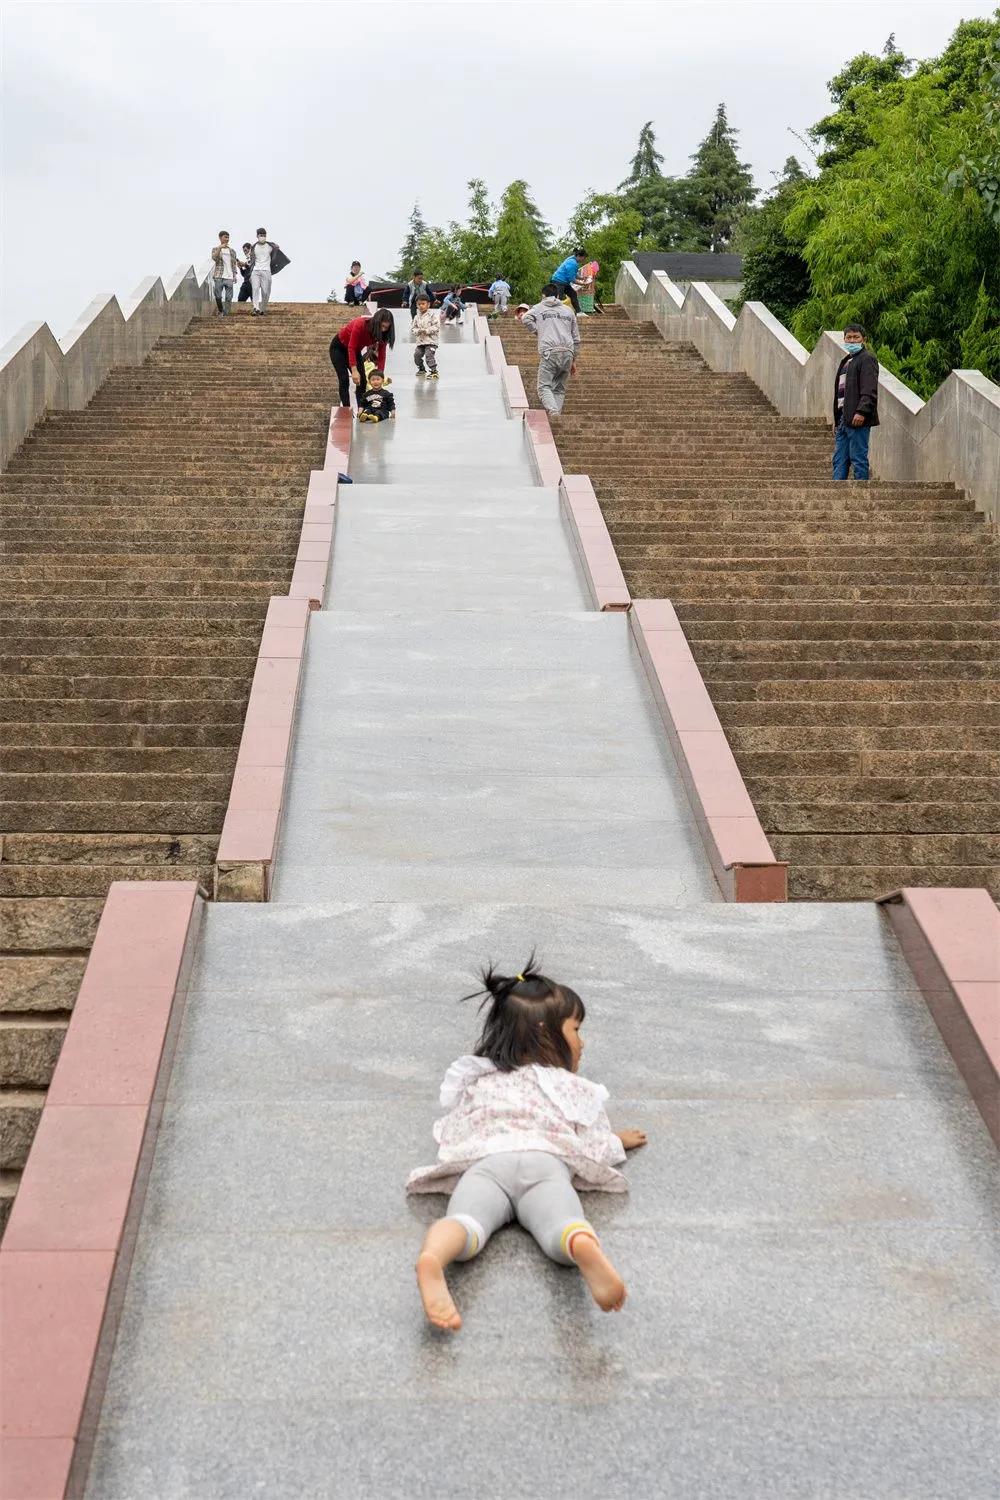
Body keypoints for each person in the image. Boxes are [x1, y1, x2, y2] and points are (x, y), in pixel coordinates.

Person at [408, 959, 647, 1332]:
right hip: (545, 1164)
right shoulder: (570, 1087)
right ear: (545, 1034)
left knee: (466, 1222)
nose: (582, 1042)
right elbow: (590, 1145)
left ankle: (434, 1257)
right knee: (561, 1223)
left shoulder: (480, 1081)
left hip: (487, 1163)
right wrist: (618, 1142)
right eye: (576, 1030)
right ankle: (581, 1245)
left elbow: (453, 1132)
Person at [521, 284, 582, 417]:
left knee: (543, 387)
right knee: (559, 389)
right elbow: (576, 338)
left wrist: (538, 331)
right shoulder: (568, 311)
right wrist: (574, 360)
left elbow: (525, 318)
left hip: (550, 351)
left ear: (543, 296)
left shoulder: (538, 308)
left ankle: (553, 412)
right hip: (568, 352)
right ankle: (556, 415)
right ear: (558, 296)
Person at [833, 322, 879, 480]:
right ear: (844, 339)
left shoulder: (867, 359)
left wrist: (861, 411)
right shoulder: (846, 361)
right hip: (843, 419)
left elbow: (869, 388)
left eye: (856, 337)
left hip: (858, 418)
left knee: (858, 458)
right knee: (839, 459)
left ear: (863, 339)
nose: (852, 341)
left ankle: (861, 495)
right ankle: (836, 493)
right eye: (849, 337)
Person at [328, 307, 395, 409]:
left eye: (386, 328)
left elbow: (382, 355)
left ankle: (361, 409)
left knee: (362, 380)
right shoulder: (360, 324)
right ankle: (346, 409)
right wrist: (354, 370)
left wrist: (380, 375)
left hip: (355, 350)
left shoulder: (383, 334)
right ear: (376, 322)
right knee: (344, 378)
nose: (383, 330)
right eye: (382, 326)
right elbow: (351, 346)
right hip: (339, 348)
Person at [249, 227, 290, 317]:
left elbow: (277, 252)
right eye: (261, 235)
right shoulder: (254, 247)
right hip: (256, 271)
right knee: (255, 289)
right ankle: (256, 308)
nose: (262, 237)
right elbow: (251, 260)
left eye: (264, 235)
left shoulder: (271, 246)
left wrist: (277, 247)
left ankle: (262, 309)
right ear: (257, 236)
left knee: (265, 291)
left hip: (266, 271)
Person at [209, 231, 240, 315]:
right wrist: (220, 248)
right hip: (219, 276)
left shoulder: (232, 251)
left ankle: (226, 315)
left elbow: (233, 264)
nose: (227, 239)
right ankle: (220, 310)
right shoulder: (215, 249)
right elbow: (214, 258)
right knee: (218, 295)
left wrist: (235, 275)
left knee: (229, 298)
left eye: (228, 237)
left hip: (229, 277)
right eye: (225, 237)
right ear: (220, 238)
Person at [411, 292, 440, 379]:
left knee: (429, 355)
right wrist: (418, 331)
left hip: (431, 341)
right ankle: (421, 369)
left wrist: (427, 331)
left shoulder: (432, 315)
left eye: (423, 304)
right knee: (417, 355)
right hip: (420, 342)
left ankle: (434, 372)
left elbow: (436, 327)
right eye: (419, 304)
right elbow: (413, 328)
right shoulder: (416, 317)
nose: (421, 306)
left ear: (428, 304)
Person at [551, 247, 586, 314]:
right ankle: (554, 313)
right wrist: (583, 284)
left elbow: (573, 274)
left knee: (573, 294)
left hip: (564, 282)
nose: (583, 260)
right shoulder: (572, 263)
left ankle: (579, 312)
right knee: (558, 298)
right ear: (578, 256)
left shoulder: (573, 259)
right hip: (558, 281)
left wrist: (582, 278)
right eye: (583, 258)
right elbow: (572, 280)